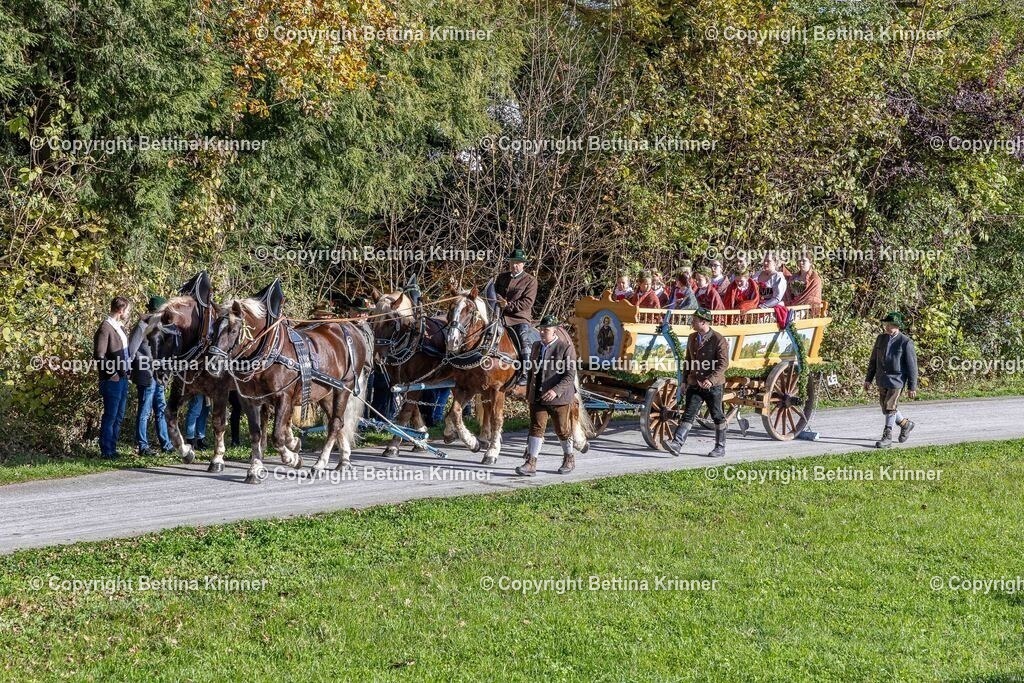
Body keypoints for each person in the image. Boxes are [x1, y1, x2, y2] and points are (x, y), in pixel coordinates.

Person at [516, 314, 579, 476]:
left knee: (562, 430)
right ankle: (531, 463)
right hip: (538, 395)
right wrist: (529, 393)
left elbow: (570, 376)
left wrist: (555, 391)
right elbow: (531, 371)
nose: (543, 332)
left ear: (555, 330)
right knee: (536, 428)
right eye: (541, 329)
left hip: (560, 398)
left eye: (547, 330)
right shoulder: (536, 346)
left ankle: (569, 458)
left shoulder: (565, 347)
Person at [665, 307, 730, 458]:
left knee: (717, 416)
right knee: (688, 414)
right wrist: (684, 381)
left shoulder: (718, 339)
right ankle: (676, 444)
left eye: (694, 320)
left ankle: (720, 448)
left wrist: (711, 380)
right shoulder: (692, 337)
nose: (692, 322)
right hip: (694, 383)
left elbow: (723, 364)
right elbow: (688, 360)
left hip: (713, 386)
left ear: (703, 322)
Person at [864, 312, 918, 448]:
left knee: (889, 406)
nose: (887, 327)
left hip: (897, 379)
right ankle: (906, 424)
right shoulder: (880, 339)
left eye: (890, 325)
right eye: (886, 324)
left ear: (897, 326)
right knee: (886, 408)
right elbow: (874, 360)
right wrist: (868, 379)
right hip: (882, 378)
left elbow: (912, 366)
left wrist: (912, 387)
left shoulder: (905, 342)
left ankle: (887, 436)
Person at [129, 295, 174, 456]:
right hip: (146, 374)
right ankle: (142, 445)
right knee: (145, 411)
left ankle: (166, 444)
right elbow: (132, 350)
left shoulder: (162, 326)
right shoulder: (142, 325)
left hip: (158, 375)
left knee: (160, 409)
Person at [94, 296, 133, 459]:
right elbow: (99, 355)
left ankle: (113, 448)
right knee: (110, 416)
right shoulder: (105, 327)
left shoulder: (120, 327)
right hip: (112, 380)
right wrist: (113, 373)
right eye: (128, 310)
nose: (128, 313)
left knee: (119, 415)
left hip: (123, 378)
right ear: (121, 310)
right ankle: (106, 450)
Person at [494, 249, 539, 383]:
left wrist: (508, 305)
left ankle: (525, 372)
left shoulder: (530, 281)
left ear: (523, 264)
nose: (514, 265)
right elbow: (494, 292)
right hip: (499, 316)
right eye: (513, 262)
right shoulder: (502, 277)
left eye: (518, 263)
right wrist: (499, 300)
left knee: (524, 340)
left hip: (519, 318)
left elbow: (527, 302)